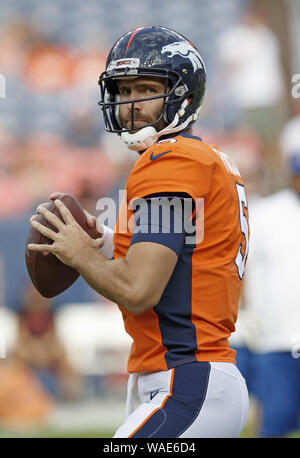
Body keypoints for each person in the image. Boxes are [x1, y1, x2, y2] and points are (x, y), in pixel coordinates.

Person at [28, 26, 249, 438]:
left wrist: (81, 253)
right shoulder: (198, 157)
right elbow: (181, 260)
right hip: (190, 380)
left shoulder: (170, 159)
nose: (132, 104)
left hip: (186, 381)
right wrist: (106, 241)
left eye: (146, 89)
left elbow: (139, 289)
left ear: (184, 93)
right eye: (124, 91)